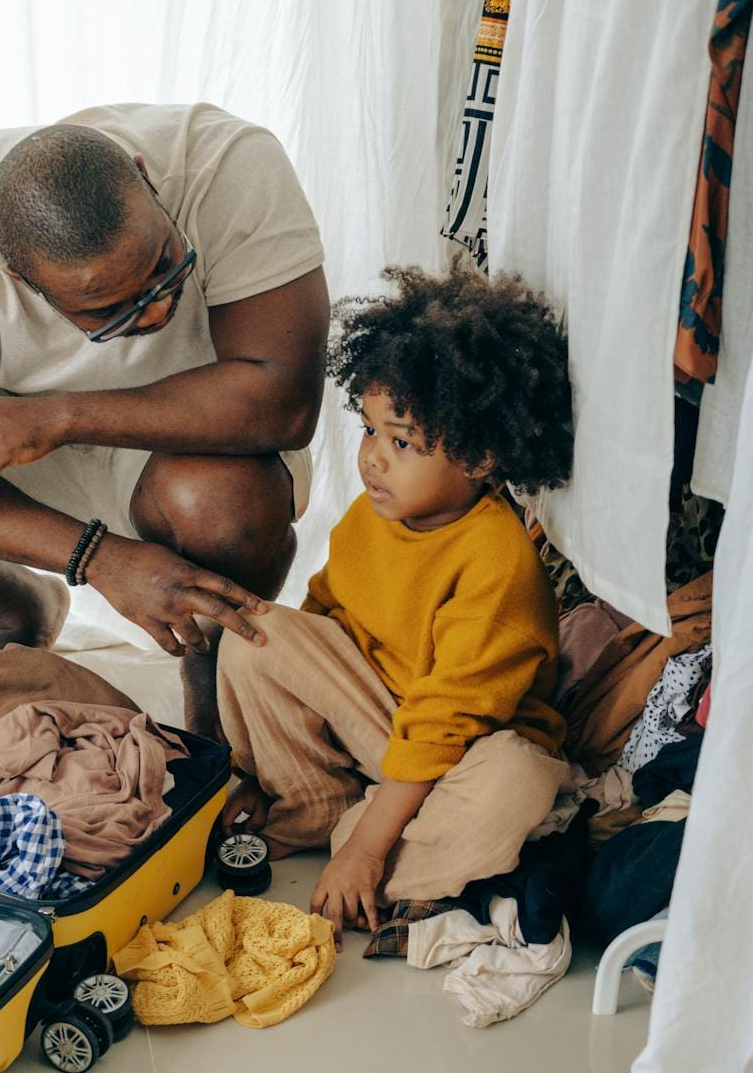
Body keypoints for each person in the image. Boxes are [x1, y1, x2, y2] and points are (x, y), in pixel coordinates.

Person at [0, 103, 330, 736]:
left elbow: (284, 403)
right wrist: (99, 559)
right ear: (16, 275)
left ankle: (211, 697)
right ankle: (19, 610)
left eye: (165, 267)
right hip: (12, 441)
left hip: (194, 429)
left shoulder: (229, 163)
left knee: (224, 506)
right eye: (108, 309)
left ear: (146, 177)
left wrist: (58, 415)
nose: (157, 313)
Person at [215, 263, 576, 946]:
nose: (373, 459)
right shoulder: (372, 513)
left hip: (462, 751)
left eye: (402, 440)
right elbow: (322, 620)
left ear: (479, 457)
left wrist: (366, 847)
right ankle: (315, 804)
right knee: (250, 631)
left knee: (518, 785)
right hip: (382, 721)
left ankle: (372, 849)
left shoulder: (496, 562)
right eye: (370, 429)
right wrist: (265, 749)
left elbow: (444, 723)